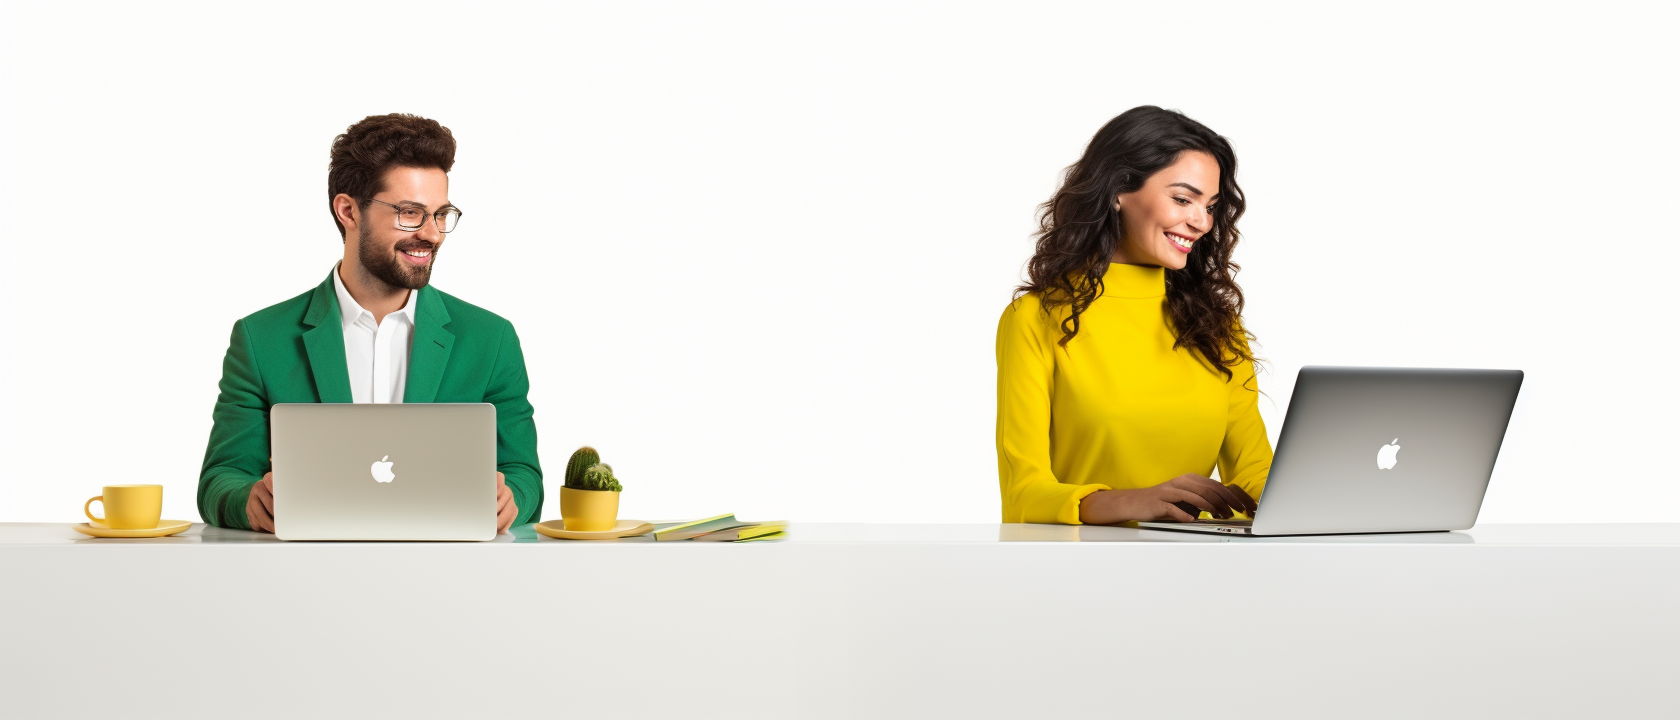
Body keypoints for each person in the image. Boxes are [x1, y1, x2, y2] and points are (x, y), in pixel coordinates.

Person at [197, 113, 542, 534]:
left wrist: (513, 499)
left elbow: (524, 474)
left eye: (440, 215)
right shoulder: (260, 339)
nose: (432, 235)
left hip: (448, 574)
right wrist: (248, 502)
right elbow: (221, 478)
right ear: (348, 211)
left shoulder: (491, 340)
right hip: (306, 573)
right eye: (411, 213)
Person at [995, 106, 1270, 525]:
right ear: (1118, 190)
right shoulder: (1036, 317)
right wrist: (1133, 502)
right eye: (1183, 199)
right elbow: (1024, 494)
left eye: (1210, 206)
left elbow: (1254, 474)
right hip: (1081, 569)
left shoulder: (1217, 324)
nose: (1201, 221)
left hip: (1202, 568)